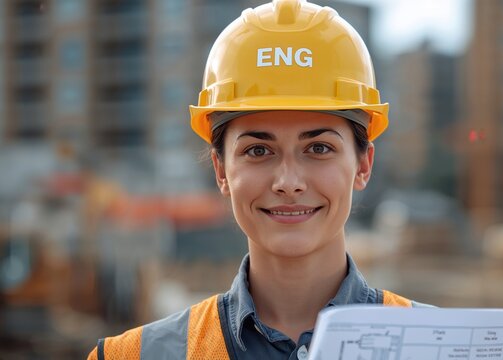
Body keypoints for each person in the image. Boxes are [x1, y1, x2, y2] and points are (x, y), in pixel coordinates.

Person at [88, 0, 427, 359]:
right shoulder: (130, 356)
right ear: (221, 171)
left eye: (319, 148)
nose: (288, 181)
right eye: (258, 151)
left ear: (363, 165)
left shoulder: (443, 348)